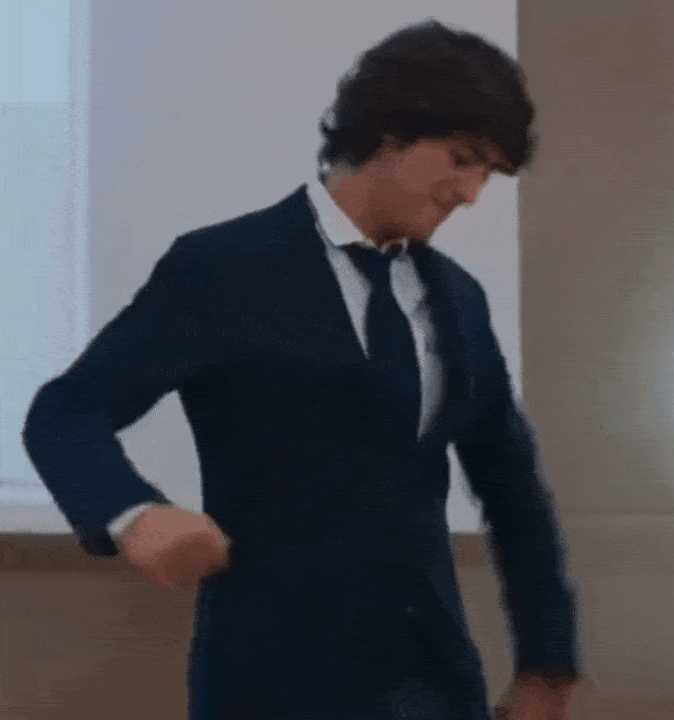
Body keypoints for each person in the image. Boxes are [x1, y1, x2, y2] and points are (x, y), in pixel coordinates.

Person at [23, 18, 581, 720]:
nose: (470, 193)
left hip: (434, 681)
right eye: (462, 159)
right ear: (390, 131)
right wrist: (134, 514)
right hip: (272, 679)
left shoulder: (459, 299)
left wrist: (547, 666)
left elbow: (512, 489)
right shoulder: (224, 269)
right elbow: (67, 412)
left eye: (487, 173)